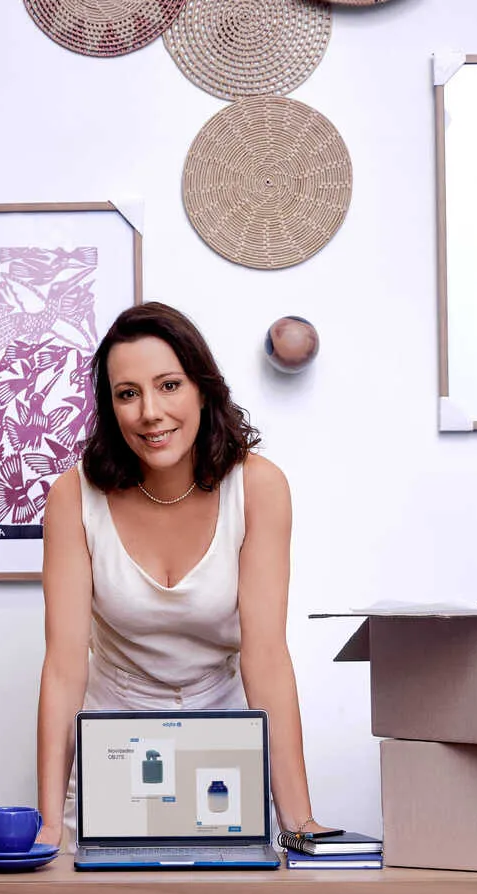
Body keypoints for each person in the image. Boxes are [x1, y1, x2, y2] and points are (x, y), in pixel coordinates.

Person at [35, 301, 335, 850]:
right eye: (128, 394)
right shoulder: (73, 496)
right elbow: (62, 666)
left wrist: (298, 821)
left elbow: (265, 655)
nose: (150, 411)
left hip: (225, 736)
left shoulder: (259, 487)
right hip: (112, 738)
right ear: (111, 407)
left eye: (168, 385)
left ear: (202, 388)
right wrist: (49, 824)